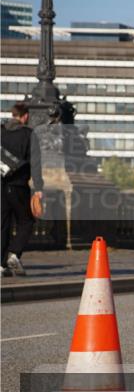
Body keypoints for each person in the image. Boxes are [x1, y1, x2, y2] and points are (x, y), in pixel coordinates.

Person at [1, 102, 44, 277]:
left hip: (1, 184)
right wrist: (39, 188)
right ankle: (14, 254)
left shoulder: (1, 131)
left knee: (3, 224)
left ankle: (1, 265)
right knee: (26, 221)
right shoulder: (29, 134)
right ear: (25, 116)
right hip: (18, 186)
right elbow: (36, 163)